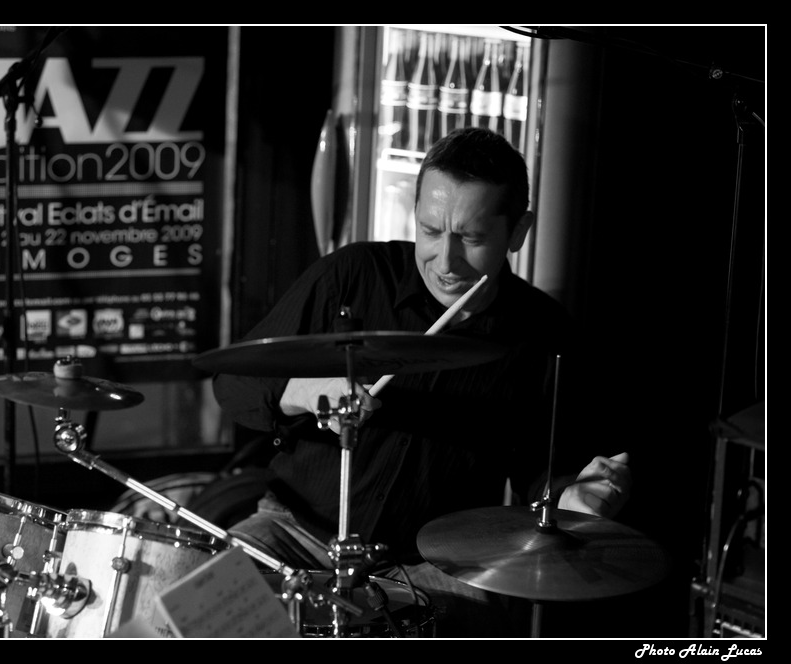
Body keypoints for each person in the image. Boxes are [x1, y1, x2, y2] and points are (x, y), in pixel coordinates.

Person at [211, 127, 632, 638]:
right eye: (430, 231)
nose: (445, 261)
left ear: (518, 232)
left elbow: (544, 473)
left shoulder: (542, 334)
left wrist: (573, 501)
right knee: (204, 601)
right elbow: (232, 383)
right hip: (294, 531)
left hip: (436, 560)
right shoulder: (353, 275)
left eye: (471, 238)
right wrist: (304, 391)